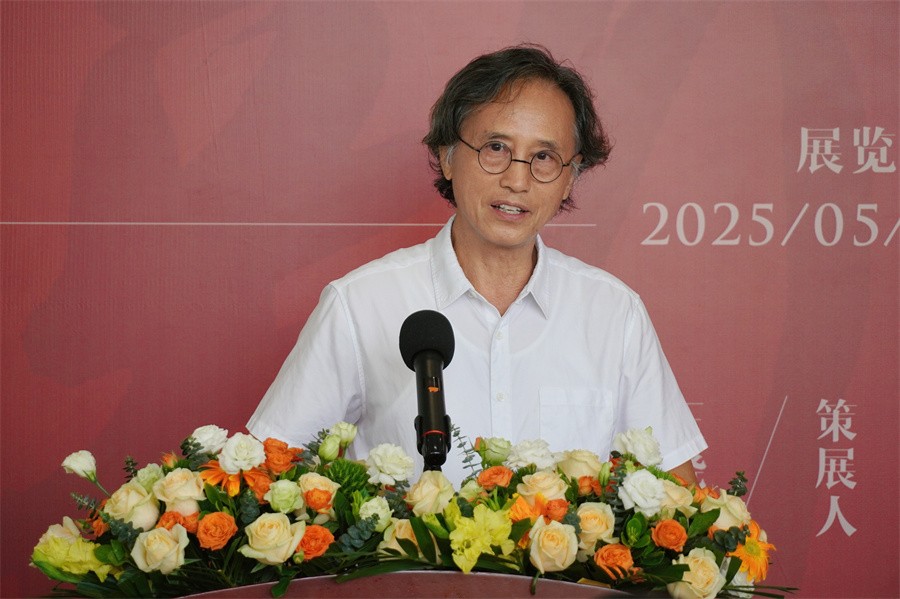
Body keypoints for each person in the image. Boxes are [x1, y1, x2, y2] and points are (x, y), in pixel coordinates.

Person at [247, 44, 706, 485]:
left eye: (544, 157)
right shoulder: (360, 304)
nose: (517, 180)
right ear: (447, 156)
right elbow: (267, 476)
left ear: (570, 178)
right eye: (496, 148)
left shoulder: (614, 313)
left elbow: (679, 498)